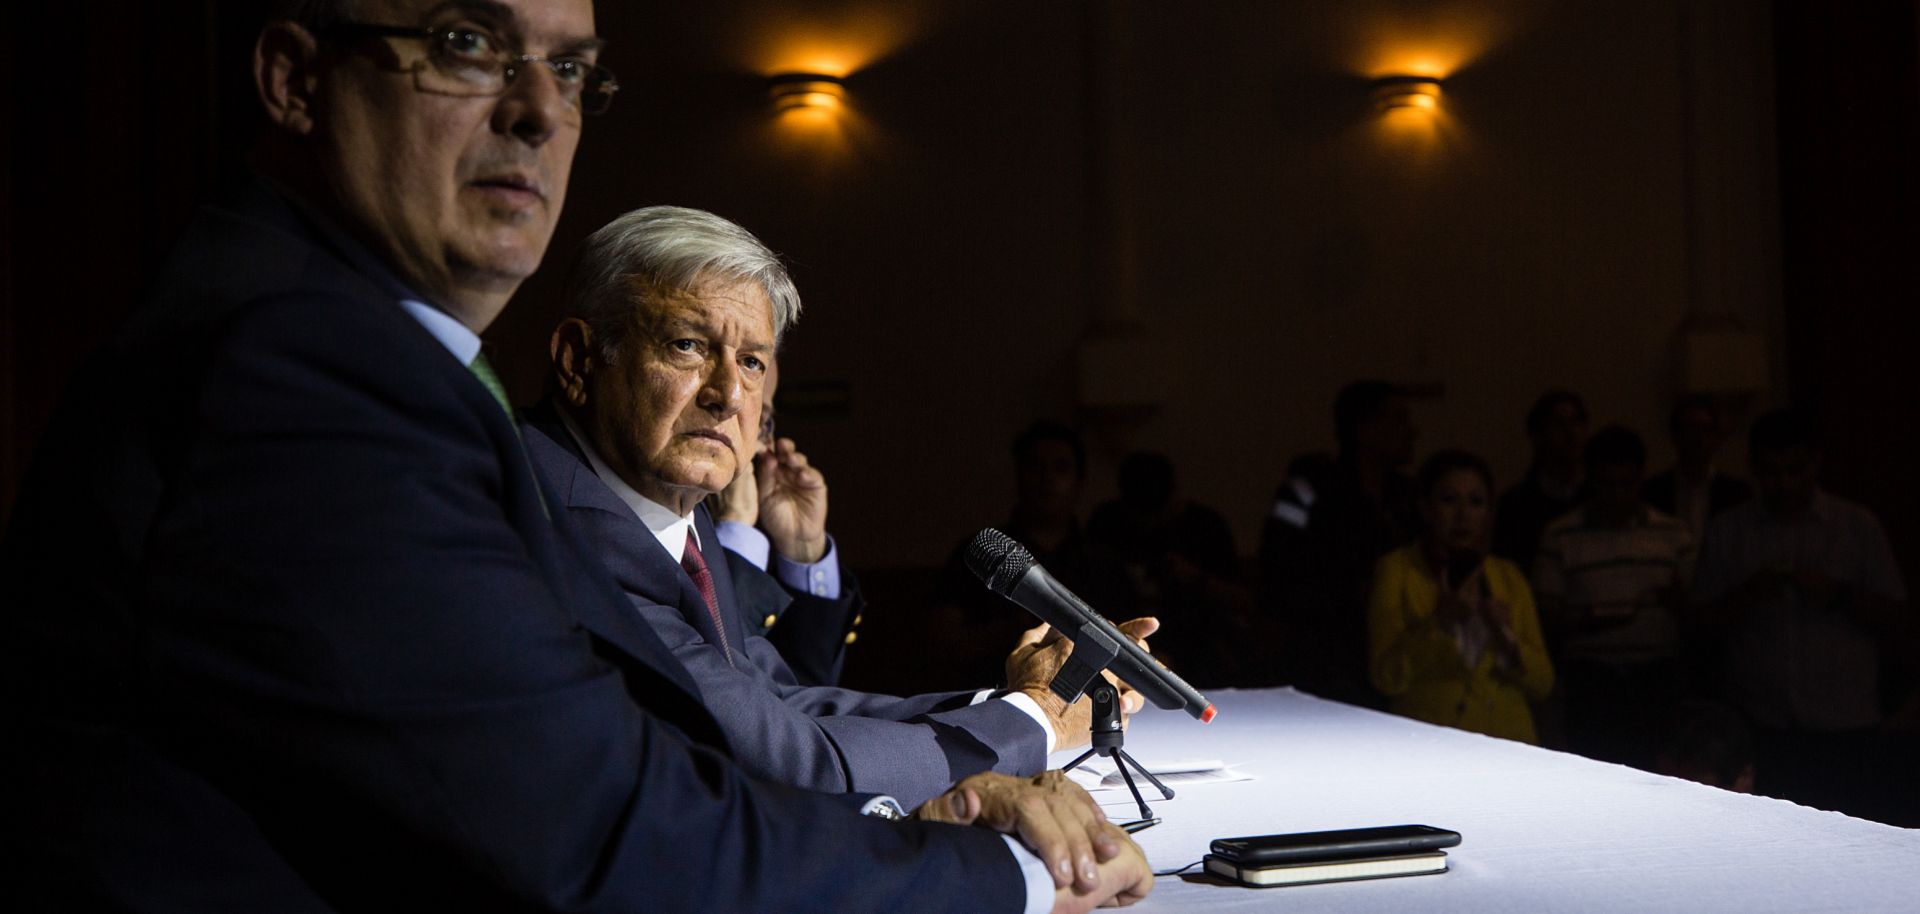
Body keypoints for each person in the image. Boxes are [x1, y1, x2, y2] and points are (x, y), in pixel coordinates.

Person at [0, 3, 1151, 911]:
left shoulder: (315, 339)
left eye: (571, 72)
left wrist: (939, 799)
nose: (538, 113)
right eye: (468, 44)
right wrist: (996, 865)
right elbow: (605, 825)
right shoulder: (299, 374)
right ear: (297, 78)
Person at [531, 205, 1157, 809]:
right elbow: (794, 766)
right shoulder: (564, 525)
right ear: (580, 360)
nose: (728, 395)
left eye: (752, 362)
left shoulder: (667, 506)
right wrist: (1038, 719)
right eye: (688, 346)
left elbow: (780, 700)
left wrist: (1020, 700)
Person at [1692, 407, 1911, 819]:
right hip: (1761, 726)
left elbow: (1897, 616)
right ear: (1754, 468)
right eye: (1771, 472)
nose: (1784, 484)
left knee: (1854, 836)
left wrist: (1839, 594)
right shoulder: (1729, 531)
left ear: (1816, 463)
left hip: (1845, 726)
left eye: (1795, 470)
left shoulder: (1856, 527)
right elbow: (1699, 624)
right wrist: (1748, 595)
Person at [1531, 425, 1695, 769]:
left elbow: (1697, 610)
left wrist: (1679, 604)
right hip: (1591, 683)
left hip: (1657, 682)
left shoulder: (1672, 533)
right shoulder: (1561, 535)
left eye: (1627, 485)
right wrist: (1591, 620)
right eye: (1608, 485)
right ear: (1590, 481)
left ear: (1641, 480)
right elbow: (1544, 619)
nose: (1618, 496)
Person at [933, 421, 1141, 688]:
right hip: (992, 699)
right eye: (1035, 467)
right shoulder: (981, 553)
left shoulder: (1104, 561)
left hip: (1088, 704)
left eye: (1061, 468)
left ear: (1079, 482)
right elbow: (940, 641)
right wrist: (1002, 632)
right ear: (1018, 476)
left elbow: (1134, 639)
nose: (1047, 478)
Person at [1368, 450, 1555, 743]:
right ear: (1426, 507)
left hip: (1508, 744)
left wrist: (1506, 638)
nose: (1463, 514)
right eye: (1449, 500)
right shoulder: (1398, 571)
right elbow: (1385, 677)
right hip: (1432, 743)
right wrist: (1438, 624)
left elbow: (1543, 683)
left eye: (1476, 502)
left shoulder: (1507, 576)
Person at [705, 359, 861, 686]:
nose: (752, 439)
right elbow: (716, 691)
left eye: (762, 419)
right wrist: (736, 532)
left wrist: (803, 550)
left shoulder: (760, 542)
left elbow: (805, 698)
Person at [1267, 380, 1419, 707]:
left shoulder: (1410, 498)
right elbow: (1278, 571)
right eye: (1398, 419)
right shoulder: (1307, 491)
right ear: (1363, 429)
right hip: (1322, 661)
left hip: (1391, 661)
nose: (1412, 431)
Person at [1087, 451, 1253, 684]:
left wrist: (1197, 579)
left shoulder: (1205, 529)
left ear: (1173, 496)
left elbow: (1245, 603)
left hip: (1200, 659)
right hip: (1121, 653)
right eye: (1139, 515)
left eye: (1157, 513)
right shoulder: (1109, 525)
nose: (1148, 526)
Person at [1494, 389, 1590, 574]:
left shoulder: (1601, 497)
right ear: (1538, 435)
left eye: (1576, 422)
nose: (1570, 432)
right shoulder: (1516, 505)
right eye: (1559, 424)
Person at [1642, 394, 1753, 536]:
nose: (1698, 438)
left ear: (1716, 438)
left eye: (1705, 429)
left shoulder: (1737, 493)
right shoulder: (1652, 491)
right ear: (1675, 435)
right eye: (1690, 429)